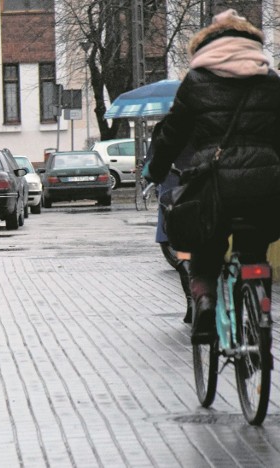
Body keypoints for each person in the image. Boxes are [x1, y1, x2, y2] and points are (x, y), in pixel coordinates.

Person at [143, 9, 280, 344]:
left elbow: (172, 135)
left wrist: (155, 170)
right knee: (254, 252)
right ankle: (259, 313)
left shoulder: (197, 81)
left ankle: (204, 302)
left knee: (206, 249)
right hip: (265, 183)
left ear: (206, 46)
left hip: (213, 183)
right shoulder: (271, 81)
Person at [146, 121, 195, 324]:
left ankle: (193, 301)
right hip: (208, 194)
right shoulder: (207, 122)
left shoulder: (165, 128)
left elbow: (152, 164)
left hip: (174, 198)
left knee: (184, 251)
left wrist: (153, 174)